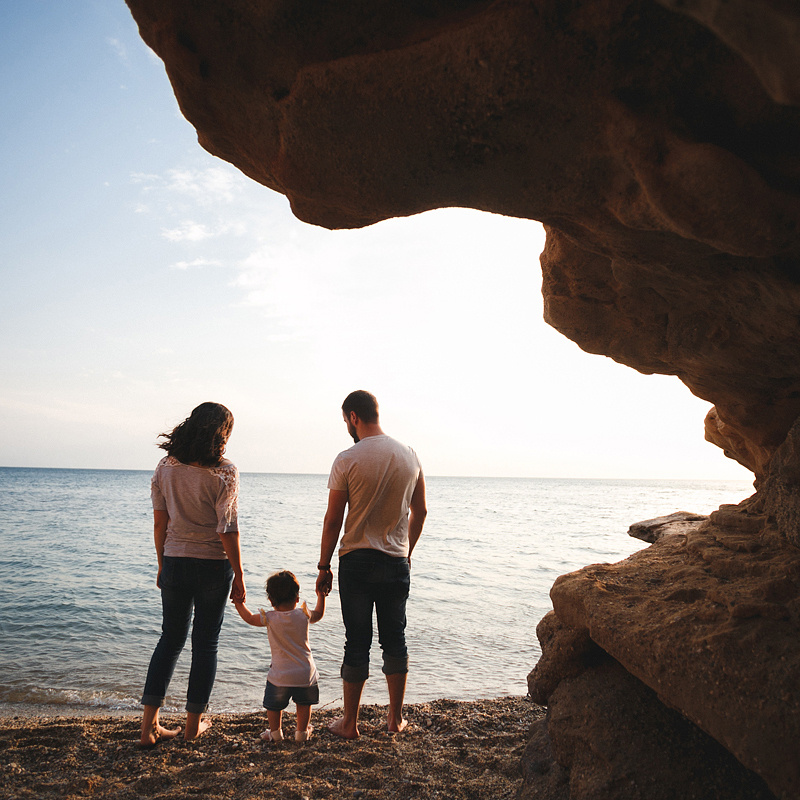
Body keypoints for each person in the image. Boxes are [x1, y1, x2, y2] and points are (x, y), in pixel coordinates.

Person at [316, 390, 427, 739]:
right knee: (395, 639)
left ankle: (350, 724)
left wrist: (323, 565)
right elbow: (420, 511)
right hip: (395, 561)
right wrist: (406, 551)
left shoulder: (347, 458)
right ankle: (394, 720)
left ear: (353, 417)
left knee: (356, 640)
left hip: (357, 561)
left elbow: (334, 519)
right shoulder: (409, 455)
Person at [139, 402, 246, 747]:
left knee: (169, 640)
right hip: (214, 565)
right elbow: (227, 528)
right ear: (221, 433)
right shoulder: (225, 471)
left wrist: (162, 562)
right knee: (205, 644)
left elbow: (160, 521)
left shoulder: (165, 467)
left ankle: (147, 729)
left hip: (174, 560)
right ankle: (191, 728)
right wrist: (240, 575)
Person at [234, 570, 325, 742]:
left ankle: (275, 733)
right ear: (297, 598)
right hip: (305, 674)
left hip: (280, 676)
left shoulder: (269, 618)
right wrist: (321, 596)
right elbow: (319, 614)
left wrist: (239, 603)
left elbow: (248, 618)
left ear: (271, 600)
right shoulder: (304, 614)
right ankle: (302, 733)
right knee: (304, 704)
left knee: (274, 706)